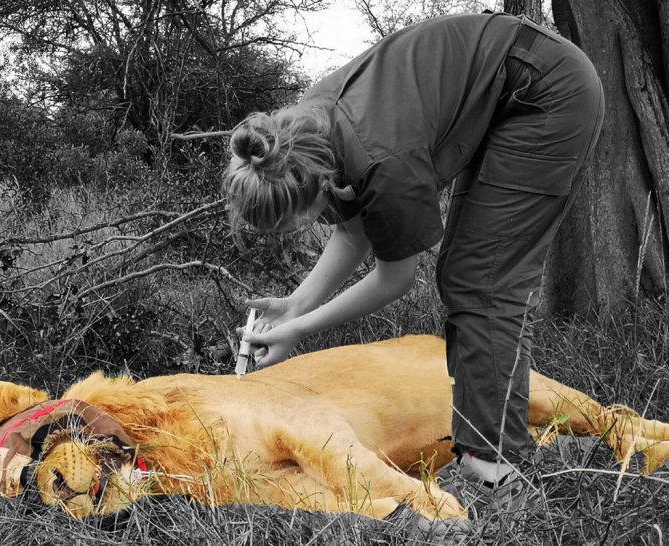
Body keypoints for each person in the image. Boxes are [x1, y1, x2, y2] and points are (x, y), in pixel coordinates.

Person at [222, 11, 605, 493]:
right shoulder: (304, 134)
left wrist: (300, 329)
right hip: (507, 82)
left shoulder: (382, 160)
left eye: (296, 220)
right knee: (467, 276)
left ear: (315, 184)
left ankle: (496, 468)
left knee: (480, 280)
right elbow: (351, 234)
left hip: (546, 90)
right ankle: (485, 448)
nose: (299, 231)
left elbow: (394, 278)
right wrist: (294, 304)